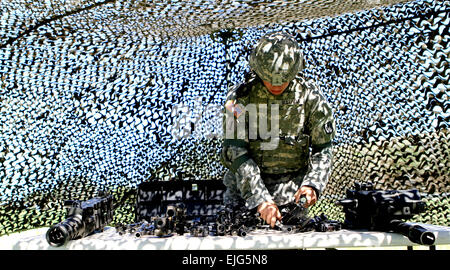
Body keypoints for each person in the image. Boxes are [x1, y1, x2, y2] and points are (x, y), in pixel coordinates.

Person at [221, 31, 336, 228]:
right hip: (243, 195)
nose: (276, 85)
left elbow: (323, 150)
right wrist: (260, 199)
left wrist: (312, 185)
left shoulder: (311, 99)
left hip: (291, 198)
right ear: (258, 70)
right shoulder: (238, 100)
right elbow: (235, 151)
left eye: (283, 79)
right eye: (268, 78)